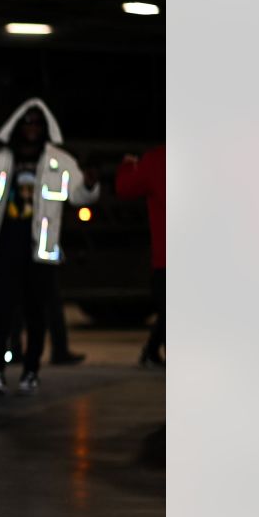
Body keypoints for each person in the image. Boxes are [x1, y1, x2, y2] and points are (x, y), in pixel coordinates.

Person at [0, 98, 99, 396]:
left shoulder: (58, 161)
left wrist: (88, 185)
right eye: (27, 123)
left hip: (41, 252)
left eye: (38, 123)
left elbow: (79, 196)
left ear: (45, 128)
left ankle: (31, 371)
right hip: (4, 249)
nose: (32, 128)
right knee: (3, 310)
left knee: (37, 313)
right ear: (17, 126)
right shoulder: (0, 161)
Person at [115, 145, 166, 367]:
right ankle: (152, 351)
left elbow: (125, 187)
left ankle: (152, 351)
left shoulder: (156, 160)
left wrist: (127, 166)